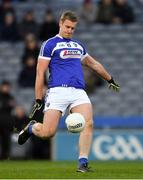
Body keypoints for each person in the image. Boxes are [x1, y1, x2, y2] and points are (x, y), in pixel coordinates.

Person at [18, 11, 120, 172]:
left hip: (78, 91)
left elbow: (93, 64)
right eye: (67, 27)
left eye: (73, 28)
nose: (70, 30)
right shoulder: (50, 44)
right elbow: (40, 72)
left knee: (89, 123)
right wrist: (38, 99)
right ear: (60, 23)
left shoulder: (78, 46)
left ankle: (82, 163)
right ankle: (31, 128)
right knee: (48, 133)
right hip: (57, 91)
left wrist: (109, 79)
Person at [0, 80, 15, 159]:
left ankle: (5, 156)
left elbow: (12, 106)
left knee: (6, 140)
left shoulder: (10, 97)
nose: (6, 88)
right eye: (5, 87)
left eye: (7, 87)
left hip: (7, 122)